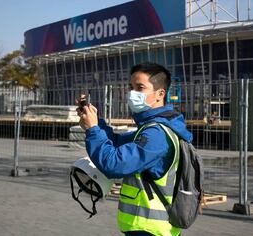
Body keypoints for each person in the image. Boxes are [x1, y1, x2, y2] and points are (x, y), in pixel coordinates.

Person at [77, 62, 192, 236]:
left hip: (150, 230)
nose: (132, 94)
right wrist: (95, 121)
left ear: (160, 94)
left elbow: (115, 164)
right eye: (131, 87)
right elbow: (115, 142)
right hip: (144, 227)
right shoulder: (153, 128)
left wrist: (93, 131)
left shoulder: (157, 134)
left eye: (140, 88)